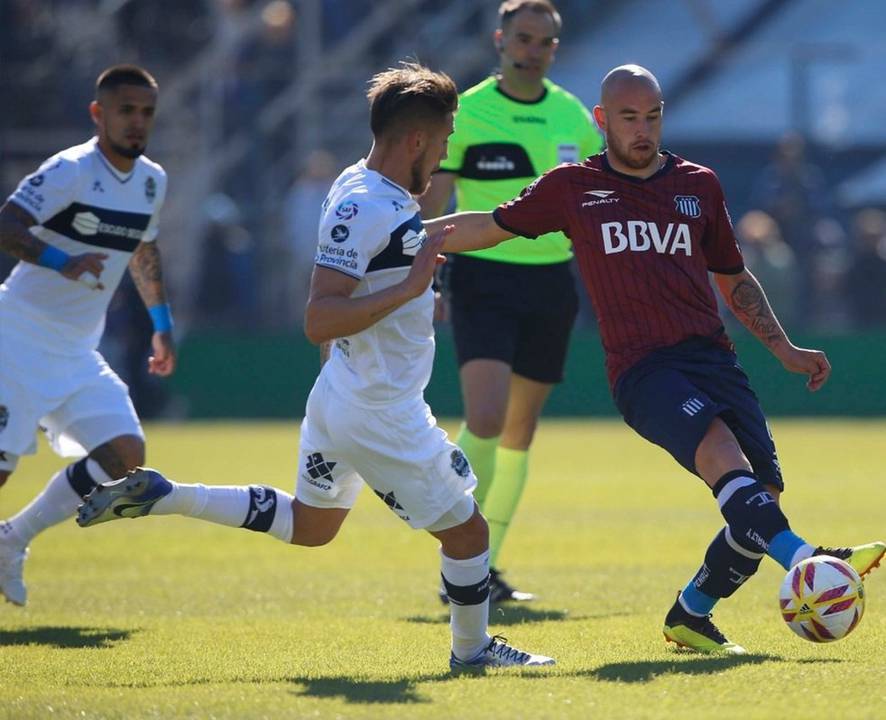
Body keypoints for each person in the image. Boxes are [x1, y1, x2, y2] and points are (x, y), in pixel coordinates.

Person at [76, 62, 554, 670]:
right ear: (415, 140)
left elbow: (418, 241)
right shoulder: (367, 204)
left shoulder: (364, 186)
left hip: (342, 395)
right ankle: (473, 651)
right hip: (379, 407)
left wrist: (526, 219)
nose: (445, 152)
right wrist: (408, 292)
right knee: (470, 534)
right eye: (442, 140)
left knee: (312, 525)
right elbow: (318, 317)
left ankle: (167, 495)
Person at [423, 64, 885, 654]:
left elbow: (733, 277)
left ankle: (691, 615)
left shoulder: (699, 185)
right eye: (628, 118)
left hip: (714, 360)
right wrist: (406, 234)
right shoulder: (572, 187)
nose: (643, 130)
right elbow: (488, 226)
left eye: (653, 116)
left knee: (757, 502)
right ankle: (813, 562)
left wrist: (784, 348)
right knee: (723, 455)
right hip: (644, 370)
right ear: (601, 121)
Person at [420, 0, 603, 603]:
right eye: (523, 38)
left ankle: (483, 570)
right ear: (501, 40)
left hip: (552, 283)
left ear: (556, 47)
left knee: (520, 430)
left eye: (545, 42)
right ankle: (454, 544)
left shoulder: (572, 115)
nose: (533, 50)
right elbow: (433, 205)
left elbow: (591, 206)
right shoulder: (468, 112)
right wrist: (426, 275)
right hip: (483, 278)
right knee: (488, 417)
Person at [0, 65, 176, 606]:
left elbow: (143, 251)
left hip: (77, 350)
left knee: (125, 454)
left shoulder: (152, 180)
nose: (137, 122)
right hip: (18, 336)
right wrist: (62, 259)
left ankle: (12, 539)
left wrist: (162, 325)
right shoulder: (70, 170)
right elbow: (6, 223)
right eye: (126, 110)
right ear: (98, 114)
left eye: (146, 112)